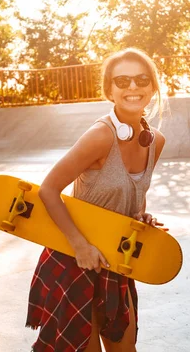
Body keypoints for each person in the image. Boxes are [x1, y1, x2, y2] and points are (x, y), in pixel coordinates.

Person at [26, 48, 167, 352]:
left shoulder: (155, 141)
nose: (133, 87)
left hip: (116, 258)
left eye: (142, 79)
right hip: (75, 258)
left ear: (152, 86)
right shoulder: (100, 136)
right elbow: (48, 190)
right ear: (109, 90)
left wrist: (141, 216)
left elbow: (135, 194)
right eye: (123, 81)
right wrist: (80, 246)